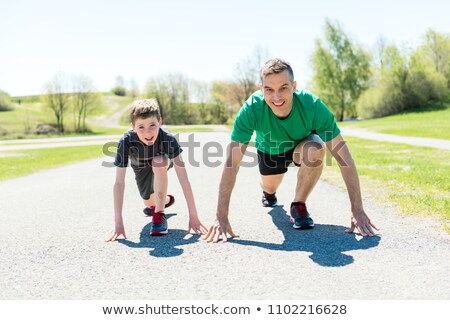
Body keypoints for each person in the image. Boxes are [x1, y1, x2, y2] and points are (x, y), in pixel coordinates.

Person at [204, 58, 379, 243]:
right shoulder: (251, 110)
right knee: (270, 186)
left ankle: (298, 204)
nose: (277, 97)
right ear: (261, 88)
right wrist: (221, 216)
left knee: (316, 149)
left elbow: (344, 158)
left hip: (300, 145)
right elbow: (232, 163)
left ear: (294, 86)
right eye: (269, 89)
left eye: (283, 88)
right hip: (270, 151)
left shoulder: (313, 106)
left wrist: (357, 209)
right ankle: (268, 193)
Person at [105, 98, 207, 241]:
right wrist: (118, 223)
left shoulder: (168, 139)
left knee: (158, 162)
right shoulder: (126, 142)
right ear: (132, 127)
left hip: (161, 160)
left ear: (160, 121)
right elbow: (119, 183)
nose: (148, 132)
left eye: (152, 125)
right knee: (148, 202)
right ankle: (164, 200)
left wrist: (194, 217)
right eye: (141, 127)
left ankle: (159, 214)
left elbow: (183, 178)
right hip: (140, 166)